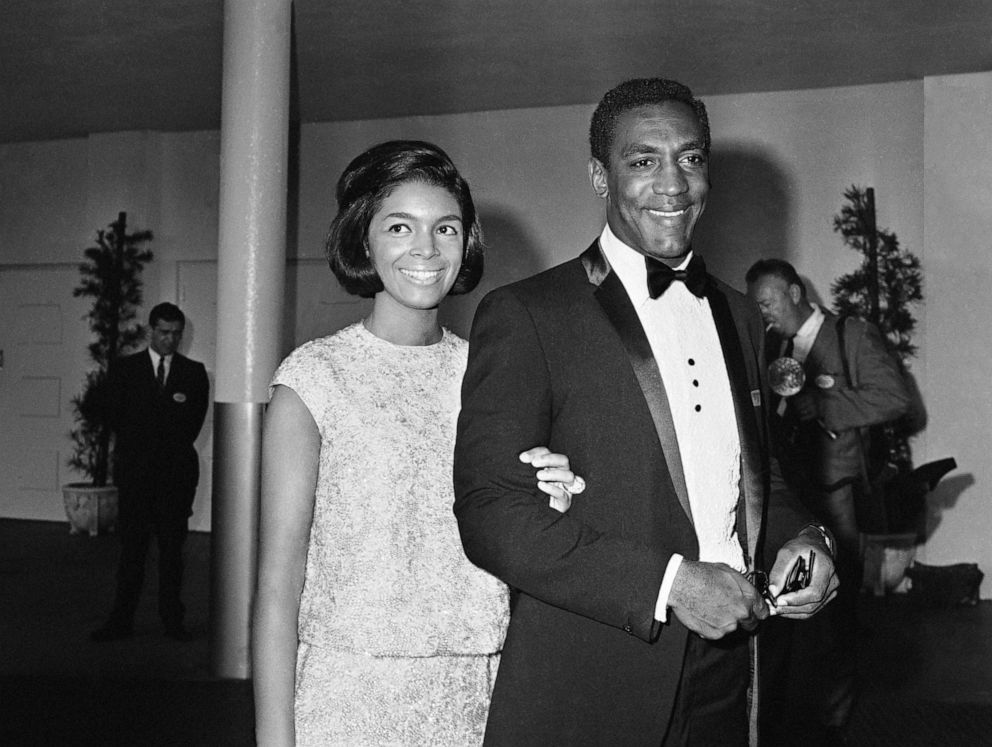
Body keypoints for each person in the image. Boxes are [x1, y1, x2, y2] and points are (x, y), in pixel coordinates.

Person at [453, 77, 840, 747]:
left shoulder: (743, 317)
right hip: (595, 678)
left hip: (733, 675)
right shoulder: (528, 314)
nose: (673, 183)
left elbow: (756, 479)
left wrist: (809, 538)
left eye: (690, 158)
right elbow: (490, 514)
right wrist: (671, 584)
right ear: (600, 176)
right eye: (643, 160)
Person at [251, 140, 581, 746]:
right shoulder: (314, 379)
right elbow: (278, 584)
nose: (426, 250)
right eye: (400, 226)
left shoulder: (495, 373)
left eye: (446, 228)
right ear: (363, 240)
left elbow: (511, 545)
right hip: (348, 698)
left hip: (477, 694)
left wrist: (548, 503)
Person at [745, 258, 912, 743]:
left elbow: (896, 399)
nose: (761, 312)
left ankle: (832, 726)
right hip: (783, 502)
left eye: (767, 301)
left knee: (834, 618)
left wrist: (826, 405)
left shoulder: (850, 336)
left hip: (836, 497)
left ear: (795, 292)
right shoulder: (771, 347)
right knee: (784, 616)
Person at [90, 302, 210, 642]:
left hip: (174, 480)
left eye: (176, 334)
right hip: (136, 477)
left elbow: (191, 426)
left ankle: (173, 621)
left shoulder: (193, 373)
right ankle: (120, 621)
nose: (170, 339)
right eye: (163, 332)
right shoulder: (125, 370)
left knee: (172, 554)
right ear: (150, 331)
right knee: (132, 553)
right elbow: (114, 418)